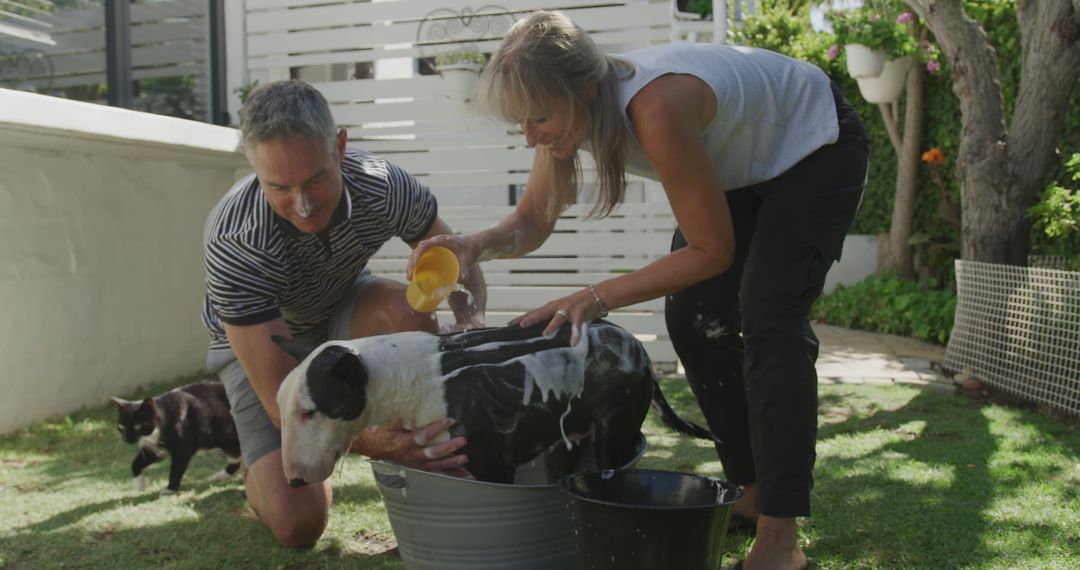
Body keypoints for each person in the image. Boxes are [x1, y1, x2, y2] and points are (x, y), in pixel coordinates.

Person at [410, 11, 868, 570]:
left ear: (581, 89)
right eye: (520, 123)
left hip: (815, 145)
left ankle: (780, 537)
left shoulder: (655, 108)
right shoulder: (569, 108)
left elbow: (710, 251)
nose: (530, 135)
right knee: (692, 319)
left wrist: (597, 295)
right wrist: (473, 245)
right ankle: (748, 488)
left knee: (769, 315)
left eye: (538, 118)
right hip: (744, 169)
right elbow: (533, 220)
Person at [202, 79, 482, 547]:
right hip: (266, 344)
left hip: (343, 304)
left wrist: (470, 326)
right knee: (298, 526)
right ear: (254, 169)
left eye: (314, 179)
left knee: (402, 307)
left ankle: (425, 474)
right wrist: (372, 439)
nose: (304, 205)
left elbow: (453, 258)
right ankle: (255, 468)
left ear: (340, 146)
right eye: (280, 187)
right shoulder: (235, 241)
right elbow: (279, 393)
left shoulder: (382, 184)